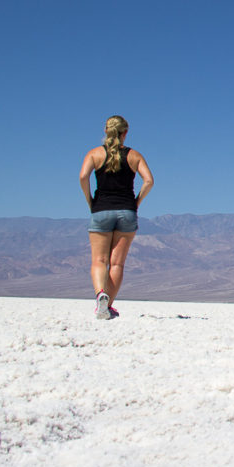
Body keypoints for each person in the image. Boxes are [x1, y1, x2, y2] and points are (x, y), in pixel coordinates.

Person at [79, 115, 154, 319]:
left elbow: (83, 177)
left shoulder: (94, 154)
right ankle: (108, 305)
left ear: (106, 131)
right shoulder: (134, 156)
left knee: (99, 260)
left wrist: (90, 201)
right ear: (125, 133)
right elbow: (149, 181)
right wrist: (136, 202)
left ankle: (100, 295)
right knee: (117, 263)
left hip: (101, 210)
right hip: (127, 212)